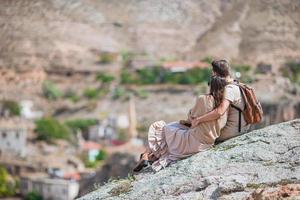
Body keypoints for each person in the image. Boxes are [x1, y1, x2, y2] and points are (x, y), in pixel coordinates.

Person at [133, 76, 228, 172]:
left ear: (211, 86)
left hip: (194, 141)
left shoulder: (204, 99)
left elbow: (192, 117)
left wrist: (191, 117)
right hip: (207, 143)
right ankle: (148, 157)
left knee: (162, 128)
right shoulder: (224, 106)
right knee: (170, 133)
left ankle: (145, 156)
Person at [191, 60, 250, 142]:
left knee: (199, 134)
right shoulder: (236, 84)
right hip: (242, 127)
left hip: (233, 131)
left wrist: (198, 120)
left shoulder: (230, 89)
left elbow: (219, 112)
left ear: (215, 73)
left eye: (212, 71)